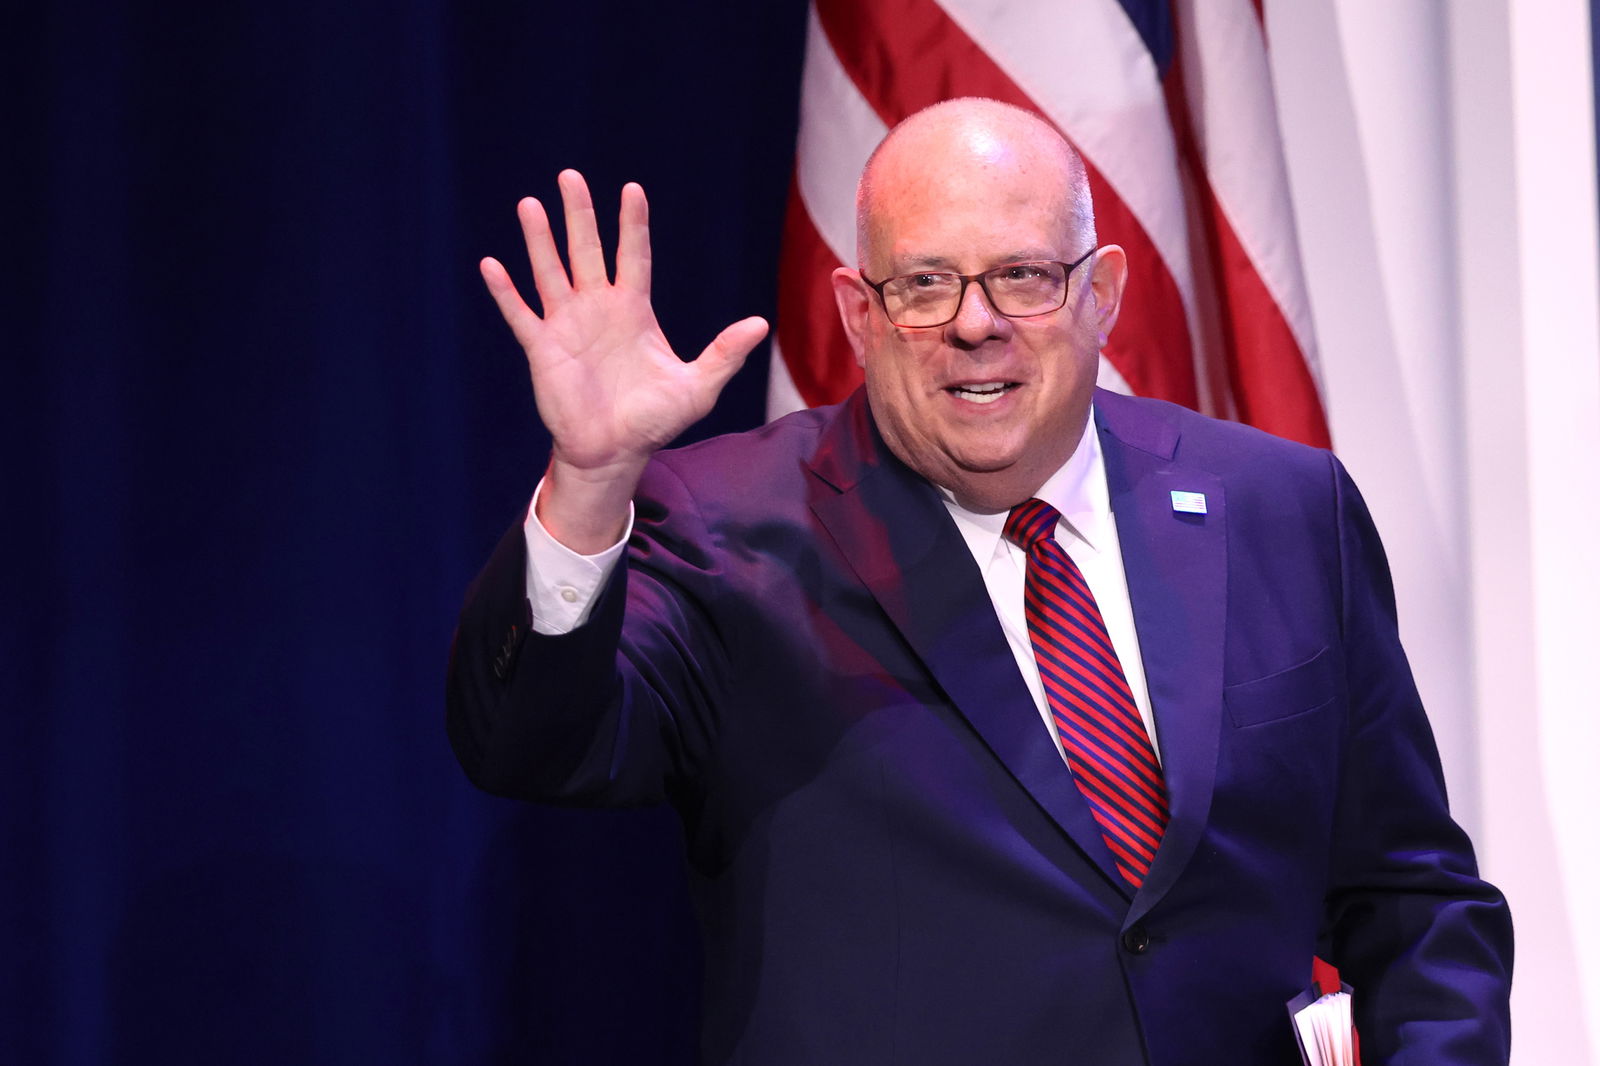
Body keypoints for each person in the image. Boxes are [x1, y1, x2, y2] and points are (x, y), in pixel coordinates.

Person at [448, 98, 1512, 1065]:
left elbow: (1411, 897)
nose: (973, 322)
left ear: (1101, 292)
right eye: (924, 283)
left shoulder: (1282, 508)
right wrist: (590, 484)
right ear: (858, 314)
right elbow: (530, 743)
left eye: (1022, 276)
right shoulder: (730, 528)